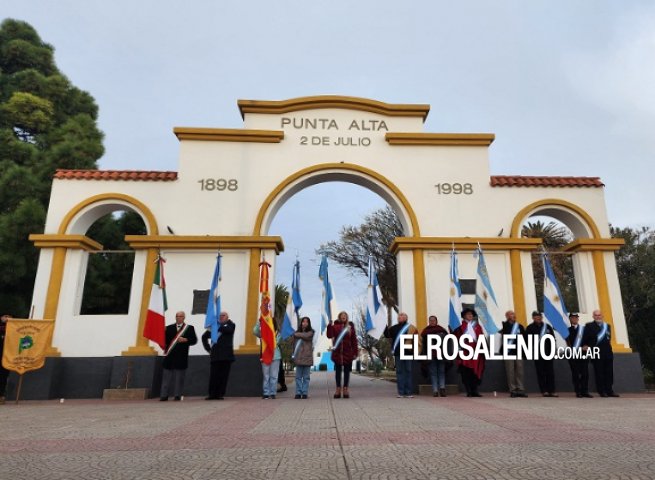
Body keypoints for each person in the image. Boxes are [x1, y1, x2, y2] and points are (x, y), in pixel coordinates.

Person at [160, 311, 197, 401]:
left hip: (181, 357)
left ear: (184, 317)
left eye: (180, 316)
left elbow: (194, 340)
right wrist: (161, 333)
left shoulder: (189, 328)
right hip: (169, 356)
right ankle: (164, 395)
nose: (178, 318)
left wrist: (186, 339)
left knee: (179, 378)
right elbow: (164, 341)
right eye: (177, 316)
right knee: (166, 377)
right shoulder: (168, 328)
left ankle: (177, 395)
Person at [583, 309, 619, 397]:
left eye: (599, 315)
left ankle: (610, 390)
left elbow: (608, 339)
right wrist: (585, 345)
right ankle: (601, 391)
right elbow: (585, 338)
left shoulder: (607, 326)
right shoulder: (589, 326)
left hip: (607, 352)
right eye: (596, 315)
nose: (598, 317)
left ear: (602, 316)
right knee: (599, 373)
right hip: (596, 352)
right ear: (593, 317)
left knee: (609, 373)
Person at [385, 312, 420, 398]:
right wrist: (384, 326)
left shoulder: (411, 328)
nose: (399, 317)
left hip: (408, 353)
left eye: (401, 316)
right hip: (398, 353)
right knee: (399, 372)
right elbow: (387, 335)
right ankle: (400, 392)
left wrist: (415, 352)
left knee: (408, 372)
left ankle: (408, 392)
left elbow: (416, 340)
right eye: (399, 316)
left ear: (406, 318)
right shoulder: (394, 328)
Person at [201, 311, 235, 400]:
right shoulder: (215, 327)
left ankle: (220, 394)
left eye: (223, 315)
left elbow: (228, 330)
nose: (221, 317)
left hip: (226, 356)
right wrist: (208, 349)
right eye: (220, 316)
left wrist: (217, 325)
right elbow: (204, 337)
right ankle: (212, 394)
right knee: (214, 376)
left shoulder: (231, 324)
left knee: (223, 376)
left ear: (227, 317)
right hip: (215, 355)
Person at [453, 308, 485, 397]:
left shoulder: (477, 326)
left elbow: (481, 337)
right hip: (465, 353)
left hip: (476, 352)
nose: (470, 316)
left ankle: (475, 390)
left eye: (471, 314)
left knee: (476, 372)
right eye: (468, 314)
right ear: (464, 316)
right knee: (466, 373)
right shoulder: (460, 328)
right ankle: (469, 391)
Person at [525, 311, 558, 397]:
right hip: (538, 354)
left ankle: (552, 390)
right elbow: (527, 342)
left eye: (539, 316)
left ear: (541, 317)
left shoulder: (547, 327)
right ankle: (544, 391)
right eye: (536, 317)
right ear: (533, 318)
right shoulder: (530, 328)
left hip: (548, 353)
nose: (538, 318)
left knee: (550, 373)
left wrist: (553, 351)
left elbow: (553, 339)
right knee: (541, 373)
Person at [327, 311, 358, 399]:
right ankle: (338, 389)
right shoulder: (335, 327)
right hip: (338, 353)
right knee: (338, 372)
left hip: (348, 353)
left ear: (347, 317)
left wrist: (355, 352)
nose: (343, 316)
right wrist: (329, 326)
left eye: (345, 315)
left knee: (347, 372)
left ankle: (345, 389)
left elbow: (354, 341)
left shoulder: (350, 327)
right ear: (339, 317)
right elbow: (329, 335)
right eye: (342, 315)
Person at [500, 310, 528, 398]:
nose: (514, 316)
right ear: (507, 316)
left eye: (514, 314)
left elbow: (525, 338)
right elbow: (503, 336)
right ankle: (512, 390)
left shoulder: (520, 326)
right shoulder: (505, 325)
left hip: (519, 351)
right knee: (510, 371)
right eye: (511, 314)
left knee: (520, 371)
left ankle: (520, 389)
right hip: (509, 351)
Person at [253, 319, 281, 399]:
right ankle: (266, 393)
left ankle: (273, 393)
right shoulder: (262, 333)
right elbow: (255, 331)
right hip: (265, 356)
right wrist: (259, 321)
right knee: (266, 376)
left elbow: (276, 343)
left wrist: (271, 335)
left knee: (274, 376)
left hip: (275, 356)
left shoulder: (278, 333)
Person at [566, 312, 592, 398]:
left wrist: (588, 345)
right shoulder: (567, 331)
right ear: (570, 319)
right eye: (572, 318)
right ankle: (578, 391)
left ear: (578, 319)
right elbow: (568, 343)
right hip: (573, 355)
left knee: (585, 374)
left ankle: (585, 391)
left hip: (584, 355)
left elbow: (590, 339)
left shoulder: (584, 329)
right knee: (575, 374)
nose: (574, 319)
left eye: (576, 317)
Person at [420, 315, 447, 397]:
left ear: (436, 321)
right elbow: (422, 343)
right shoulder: (425, 331)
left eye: (433, 320)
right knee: (433, 373)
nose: (432, 321)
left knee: (441, 372)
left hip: (441, 354)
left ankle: (442, 389)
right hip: (430, 354)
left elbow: (447, 339)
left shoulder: (441, 329)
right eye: (430, 320)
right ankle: (435, 390)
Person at [292, 316, 314, 399]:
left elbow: (306, 336)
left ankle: (304, 393)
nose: (304, 323)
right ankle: (298, 392)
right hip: (298, 357)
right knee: (298, 377)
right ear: (301, 323)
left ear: (309, 323)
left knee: (306, 377)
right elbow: (293, 345)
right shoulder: (296, 334)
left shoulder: (311, 332)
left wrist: (295, 334)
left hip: (307, 358)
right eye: (303, 321)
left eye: (306, 322)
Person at [0, 314, 11, 405]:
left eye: (9, 316)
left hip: (6, 358)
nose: (6, 318)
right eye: (5, 316)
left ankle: (1, 396)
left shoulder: (13, 331)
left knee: (3, 377)